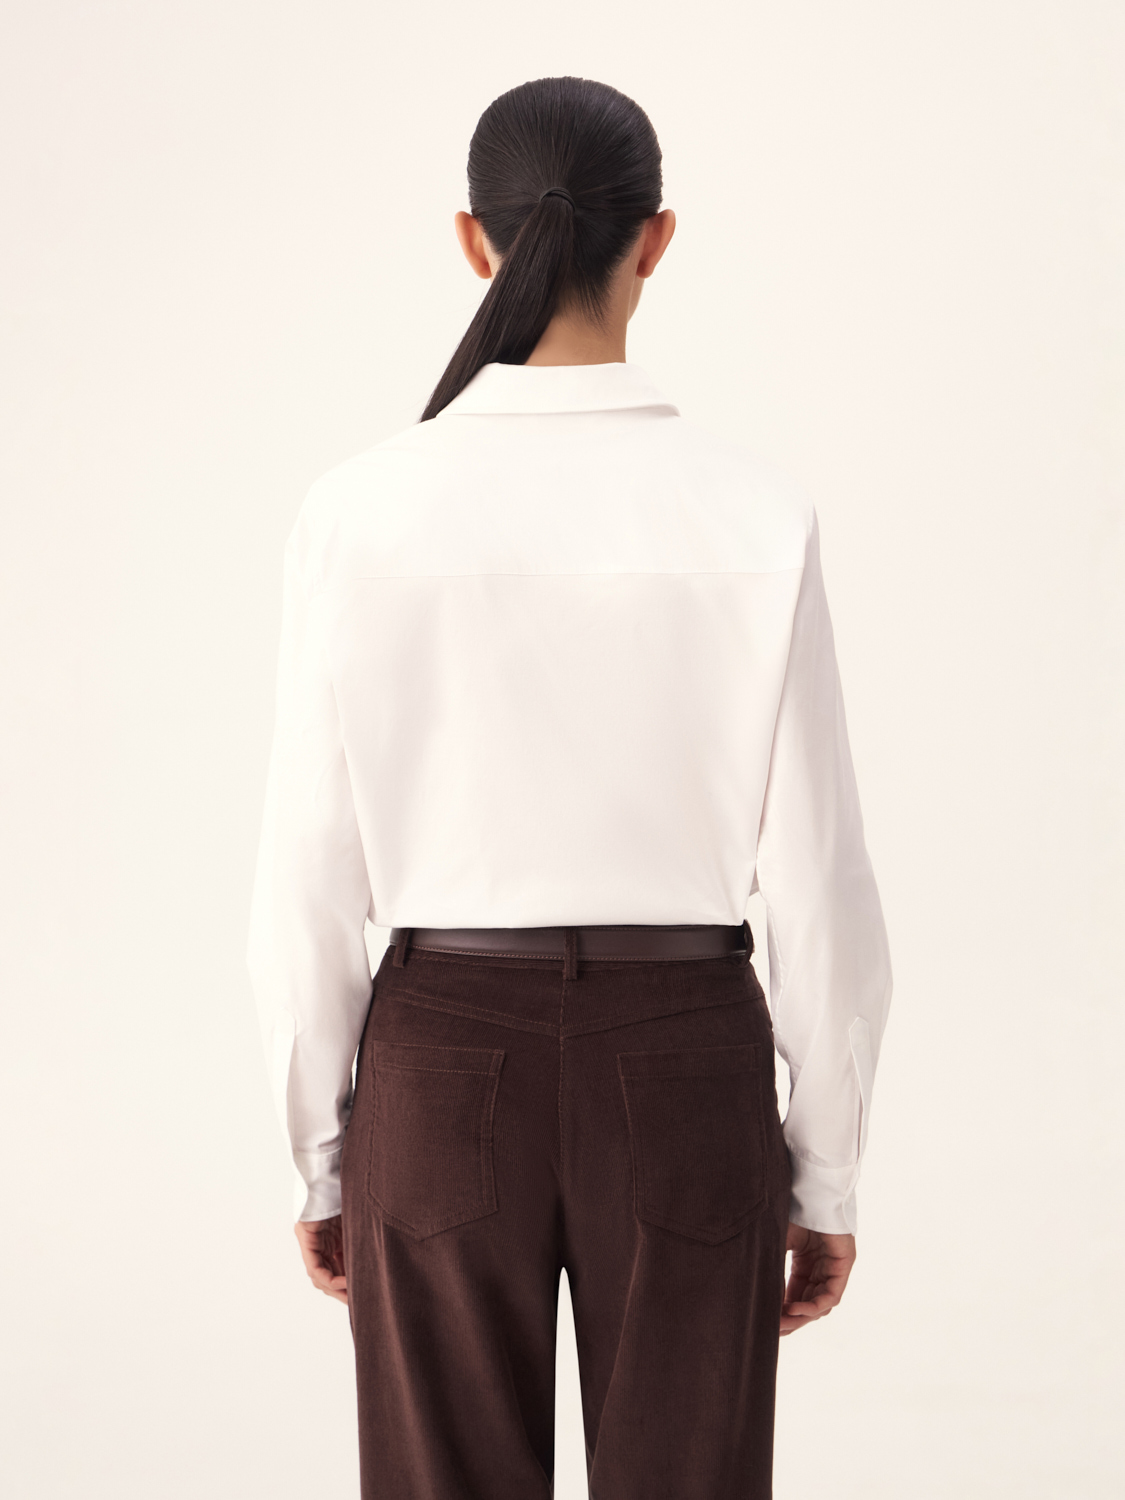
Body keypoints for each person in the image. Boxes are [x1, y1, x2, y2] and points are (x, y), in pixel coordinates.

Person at [247, 74, 892, 1500]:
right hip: (685, 1059)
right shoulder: (754, 512)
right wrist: (827, 1170)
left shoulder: (355, 513)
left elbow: (306, 876)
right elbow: (820, 881)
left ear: (472, 241)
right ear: (656, 239)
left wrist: (320, 1160)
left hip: (438, 1060)